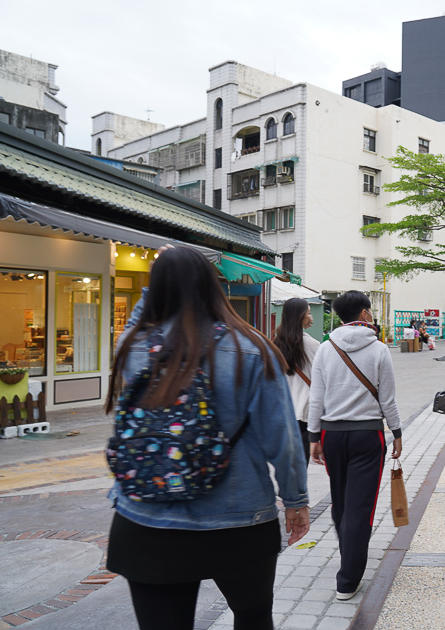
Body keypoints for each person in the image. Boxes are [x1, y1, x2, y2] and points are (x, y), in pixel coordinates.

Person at [104, 246, 309, 630]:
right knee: (252, 618)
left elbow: (137, 323)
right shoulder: (253, 349)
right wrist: (296, 500)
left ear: (155, 290)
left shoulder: (134, 347)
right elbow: (281, 439)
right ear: (213, 288)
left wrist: (159, 280)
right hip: (238, 521)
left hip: (146, 520)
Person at [307, 290, 402, 600]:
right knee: (360, 507)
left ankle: (348, 555)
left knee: (341, 502)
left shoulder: (325, 348)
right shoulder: (378, 349)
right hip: (367, 436)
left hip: (331, 436)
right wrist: (397, 431)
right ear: (364, 313)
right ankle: (348, 579)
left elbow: (316, 397)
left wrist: (313, 436)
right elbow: (387, 398)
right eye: (370, 310)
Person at [273, 297, 321, 465]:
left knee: (285, 466)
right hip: (304, 415)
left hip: (282, 413)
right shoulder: (313, 345)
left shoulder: (275, 344)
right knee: (300, 466)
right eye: (308, 313)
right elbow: (321, 382)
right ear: (300, 317)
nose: (311, 317)